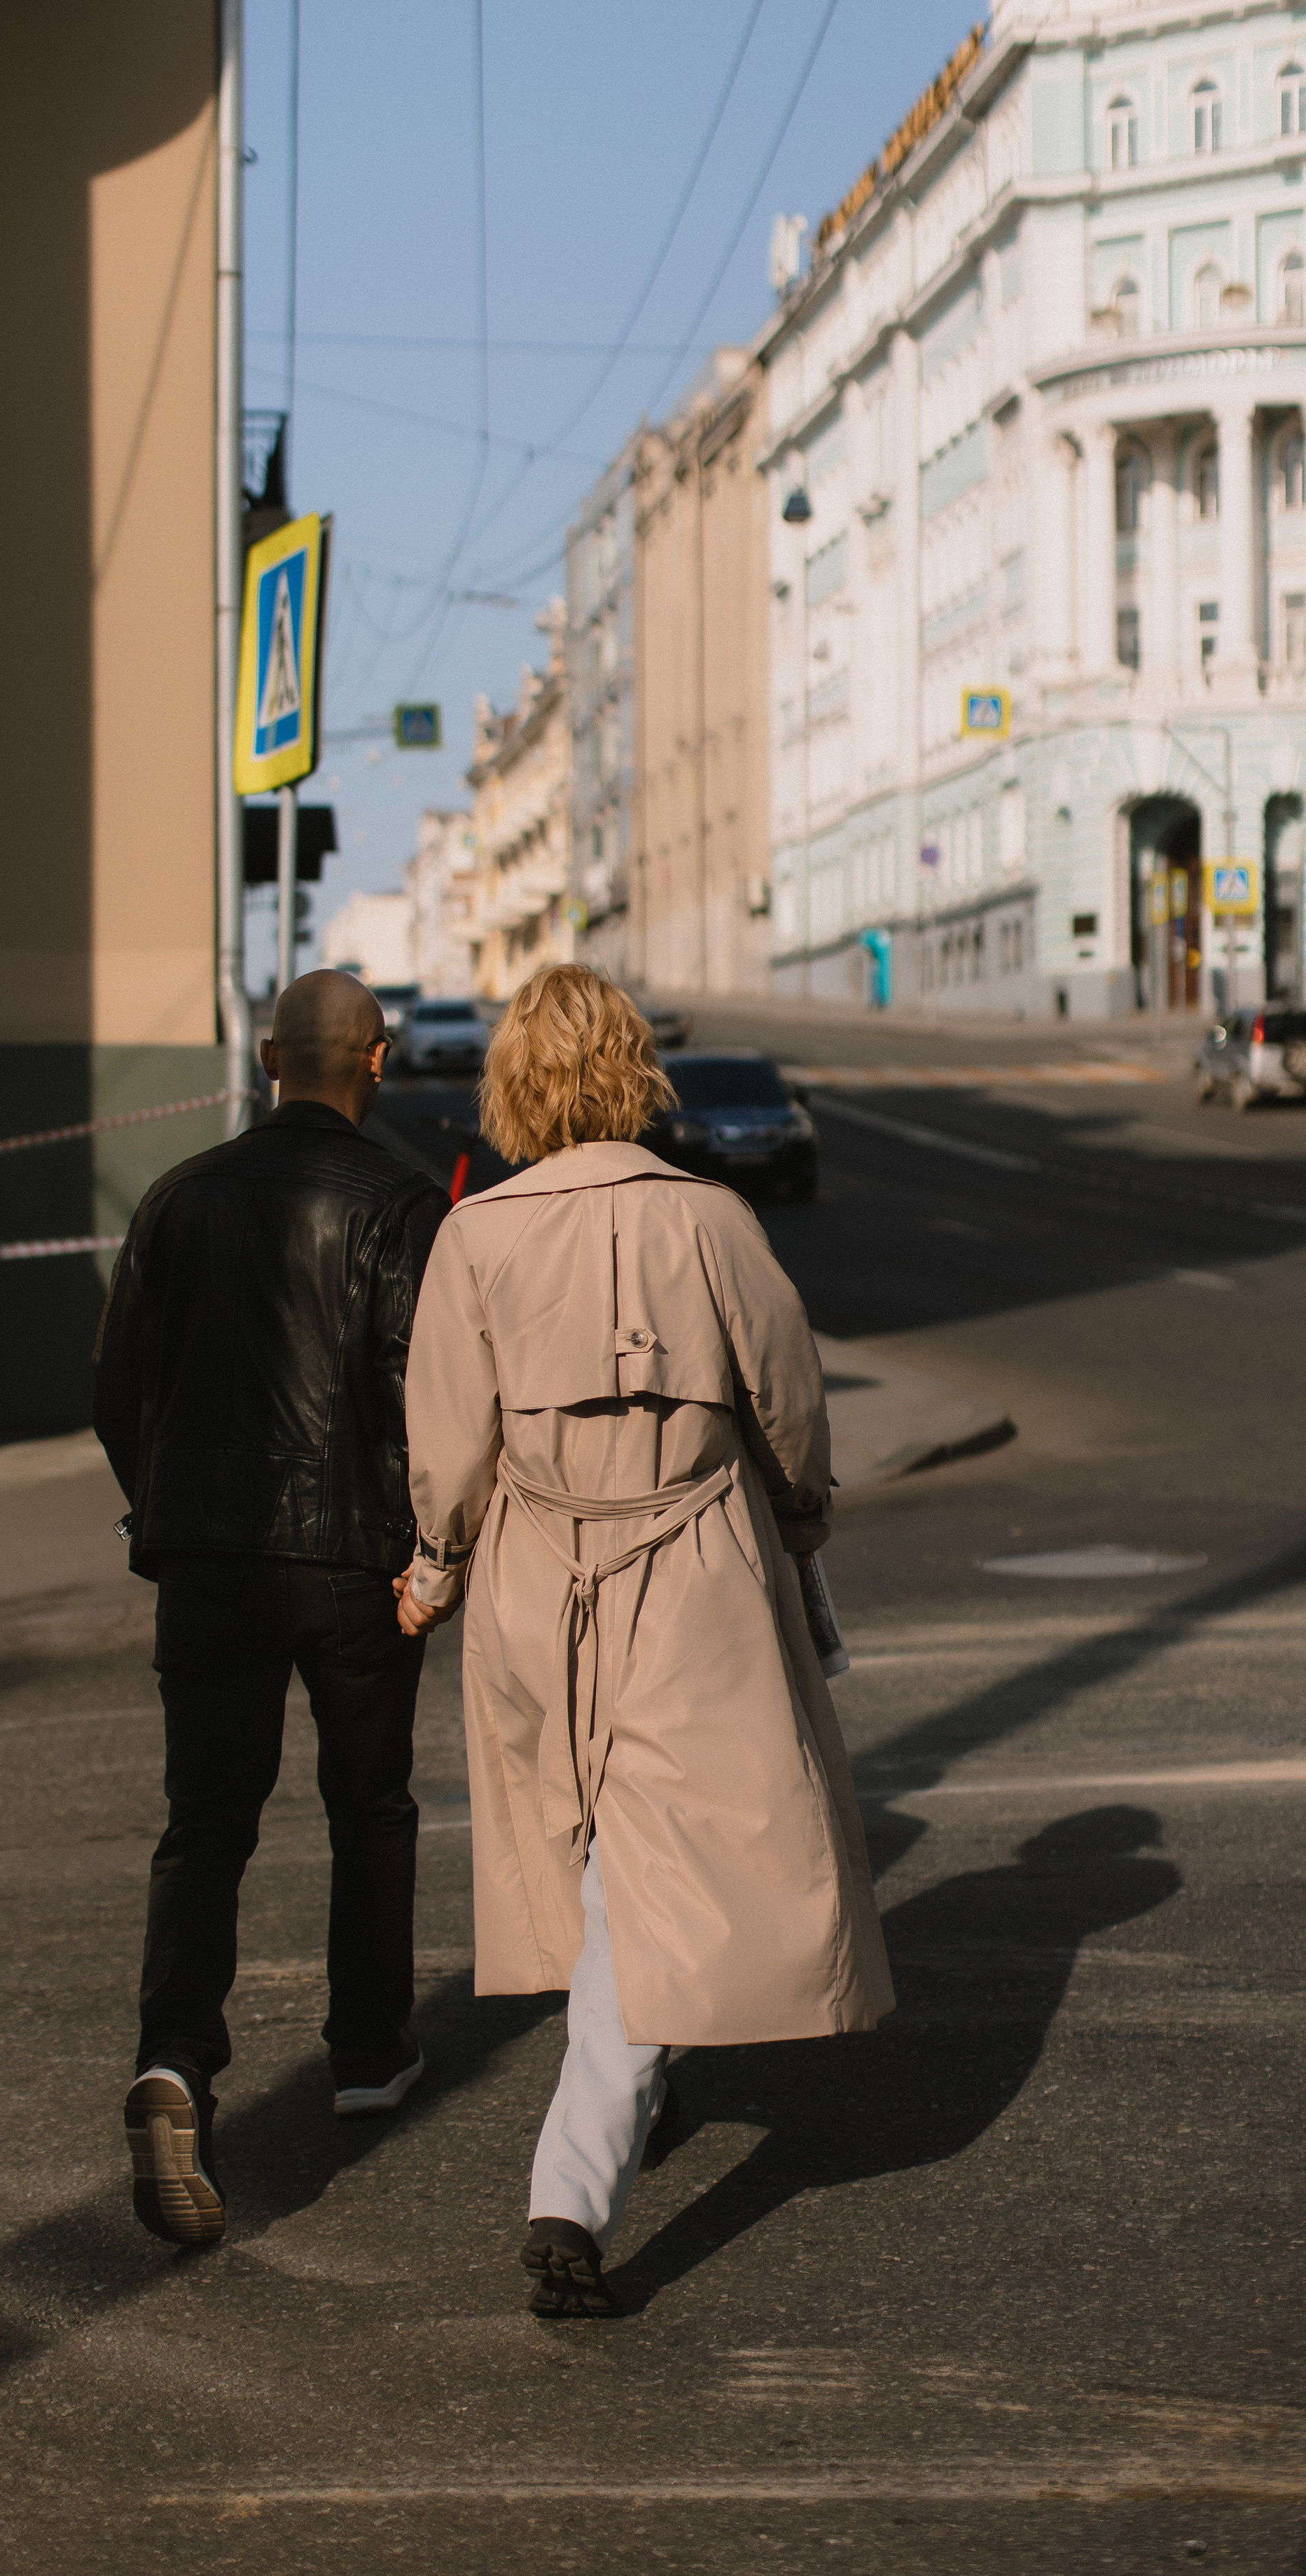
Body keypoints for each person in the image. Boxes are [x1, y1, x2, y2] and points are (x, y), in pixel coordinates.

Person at [397, 965, 893, 2317]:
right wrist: (798, 1526)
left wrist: (434, 1565)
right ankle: (579, 2174)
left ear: (512, 1083)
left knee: (599, 1861)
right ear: (636, 1074)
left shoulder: (478, 1234)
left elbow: (446, 1437)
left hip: (535, 1567)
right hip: (694, 1564)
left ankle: (587, 2159)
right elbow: (788, 1400)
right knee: (650, 1865)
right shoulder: (712, 1219)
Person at [94, 968, 450, 2248]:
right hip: (357, 1564)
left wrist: (168, 1507)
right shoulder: (402, 1204)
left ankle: (177, 2061)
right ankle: (367, 2049)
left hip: (210, 1561)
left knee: (206, 1824)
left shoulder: (178, 1199)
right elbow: (425, 1394)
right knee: (372, 1806)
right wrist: (432, 1548)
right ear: (381, 1057)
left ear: (263, 1057)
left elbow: (116, 1384)